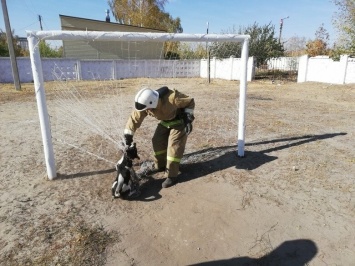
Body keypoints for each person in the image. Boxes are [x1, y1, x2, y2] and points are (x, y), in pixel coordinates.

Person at [123, 86, 195, 188]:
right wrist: (128, 135)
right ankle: (160, 165)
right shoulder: (146, 103)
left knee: (173, 148)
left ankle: (172, 176)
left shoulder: (172, 98)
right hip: (165, 122)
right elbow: (134, 118)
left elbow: (190, 101)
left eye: (147, 108)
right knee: (157, 141)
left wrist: (188, 118)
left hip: (179, 122)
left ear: (152, 103)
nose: (146, 110)